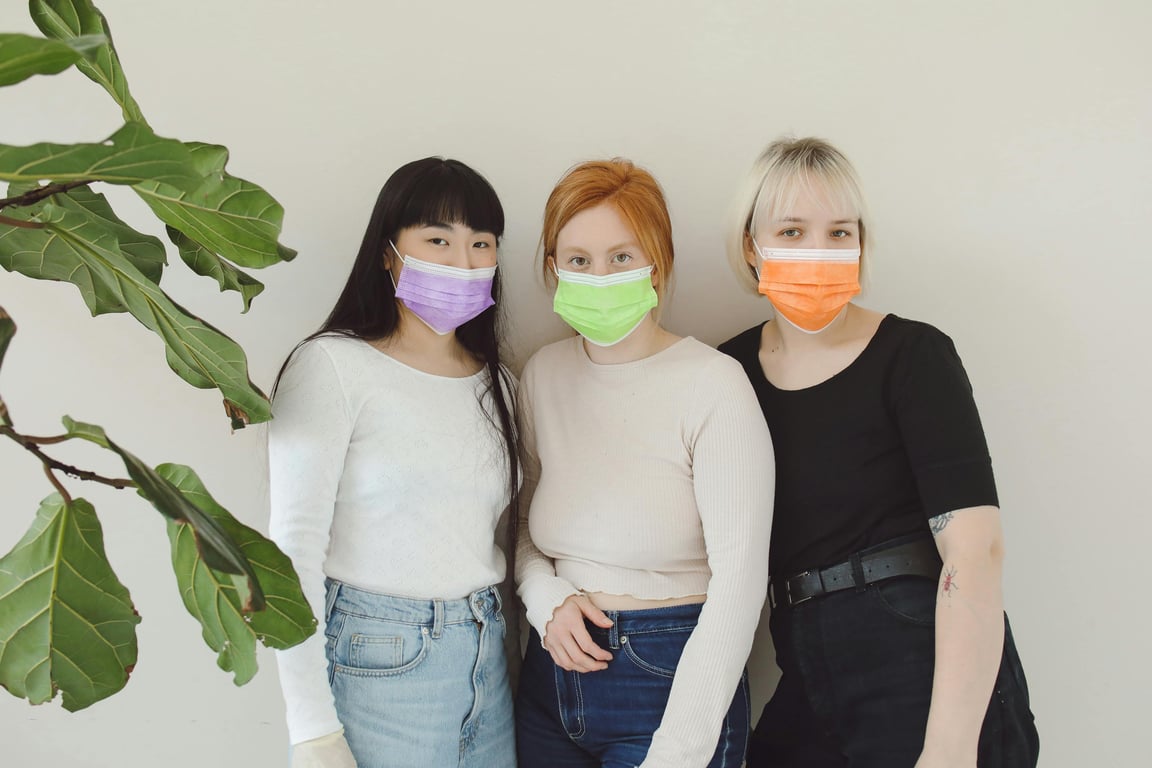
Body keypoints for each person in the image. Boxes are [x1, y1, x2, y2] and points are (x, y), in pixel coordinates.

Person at [718, 137, 1039, 767]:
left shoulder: (913, 356)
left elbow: (976, 550)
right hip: (803, 659)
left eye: (840, 232)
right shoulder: (726, 374)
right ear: (752, 246)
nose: (820, 250)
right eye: (793, 229)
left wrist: (949, 746)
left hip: (917, 651)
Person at [514, 158, 775, 768]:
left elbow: (741, 580)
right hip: (548, 678)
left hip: (670, 676)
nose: (599, 275)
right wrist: (545, 598)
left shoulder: (713, 383)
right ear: (553, 267)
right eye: (578, 260)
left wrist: (681, 749)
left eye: (621, 257)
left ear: (659, 261)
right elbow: (522, 525)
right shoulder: (542, 375)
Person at [267, 157, 520, 768]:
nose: (462, 262)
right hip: (380, 657)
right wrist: (311, 731)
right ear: (387, 253)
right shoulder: (331, 366)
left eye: (480, 243)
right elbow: (289, 551)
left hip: (487, 655)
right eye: (437, 239)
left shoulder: (501, 385)